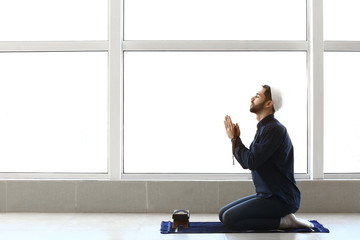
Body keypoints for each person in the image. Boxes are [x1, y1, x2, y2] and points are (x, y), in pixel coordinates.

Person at [219, 85, 313, 230]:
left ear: (269, 103)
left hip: (281, 199)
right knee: (222, 214)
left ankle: (284, 222)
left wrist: (235, 140)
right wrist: (236, 139)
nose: (252, 98)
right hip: (267, 195)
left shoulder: (274, 129)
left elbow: (251, 162)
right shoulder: (264, 128)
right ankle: (281, 218)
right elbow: (249, 160)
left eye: (257, 96)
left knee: (229, 218)